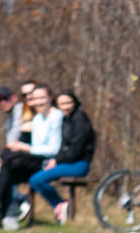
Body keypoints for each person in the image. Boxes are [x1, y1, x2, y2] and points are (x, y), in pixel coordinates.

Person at [0, 84, 64, 229]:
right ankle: (3, 215)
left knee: (8, 163)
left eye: (41, 98)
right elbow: (33, 147)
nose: (37, 102)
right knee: (7, 163)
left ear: (50, 97)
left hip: (48, 160)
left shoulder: (56, 116)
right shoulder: (38, 118)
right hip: (33, 157)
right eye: (35, 98)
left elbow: (52, 149)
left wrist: (25, 147)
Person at [29, 91, 96, 224]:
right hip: (67, 162)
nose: (65, 107)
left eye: (68, 103)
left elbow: (76, 150)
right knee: (34, 177)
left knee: (36, 179)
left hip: (79, 164)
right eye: (62, 104)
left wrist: (56, 160)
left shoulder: (80, 119)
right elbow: (63, 146)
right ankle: (59, 206)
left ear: (75, 102)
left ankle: (59, 204)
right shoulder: (66, 119)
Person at [0, 82, 37, 221]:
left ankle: (3, 205)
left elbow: (19, 142)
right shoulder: (9, 120)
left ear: (14, 97)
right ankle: (16, 199)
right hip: (14, 155)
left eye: (5, 98)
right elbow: (10, 145)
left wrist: (3, 159)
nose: (2, 103)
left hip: (28, 156)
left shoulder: (22, 110)